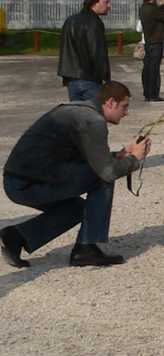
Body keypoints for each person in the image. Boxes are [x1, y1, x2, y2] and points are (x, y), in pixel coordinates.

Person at [1, 80, 150, 269]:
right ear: (111, 102)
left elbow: (81, 156)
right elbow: (107, 172)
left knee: (78, 210)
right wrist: (134, 159)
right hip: (29, 184)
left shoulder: (78, 110)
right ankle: (86, 249)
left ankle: (15, 237)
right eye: (125, 106)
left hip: (18, 181)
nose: (127, 112)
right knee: (102, 178)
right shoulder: (92, 120)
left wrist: (118, 156)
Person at [58, 0, 111, 102]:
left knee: (80, 116)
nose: (109, 5)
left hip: (71, 79)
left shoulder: (70, 20)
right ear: (94, 2)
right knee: (96, 116)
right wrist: (107, 79)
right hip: (89, 79)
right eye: (106, 2)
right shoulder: (94, 23)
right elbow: (97, 53)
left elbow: (65, 50)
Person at [139, 0, 164, 101]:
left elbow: (157, 14)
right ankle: (153, 94)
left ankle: (147, 93)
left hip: (148, 42)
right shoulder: (152, 10)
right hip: (156, 41)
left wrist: (163, 6)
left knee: (147, 68)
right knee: (154, 69)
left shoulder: (144, 8)